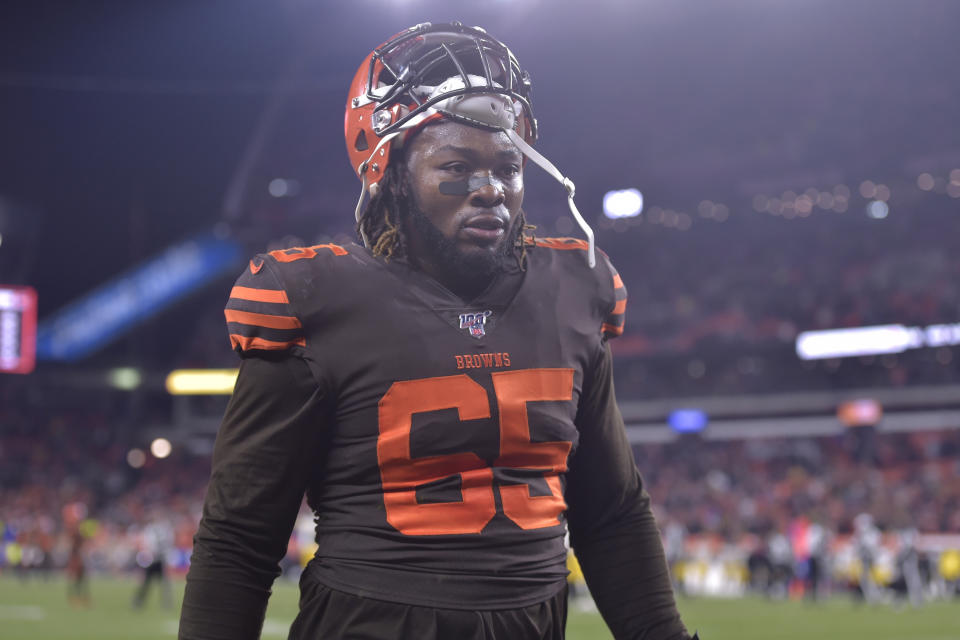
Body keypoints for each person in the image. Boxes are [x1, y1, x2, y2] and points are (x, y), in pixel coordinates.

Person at [180, 22, 695, 640]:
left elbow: (610, 513)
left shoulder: (573, 290)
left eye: (508, 166)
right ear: (393, 173)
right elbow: (240, 537)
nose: (491, 191)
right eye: (457, 165)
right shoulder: (316, 302)